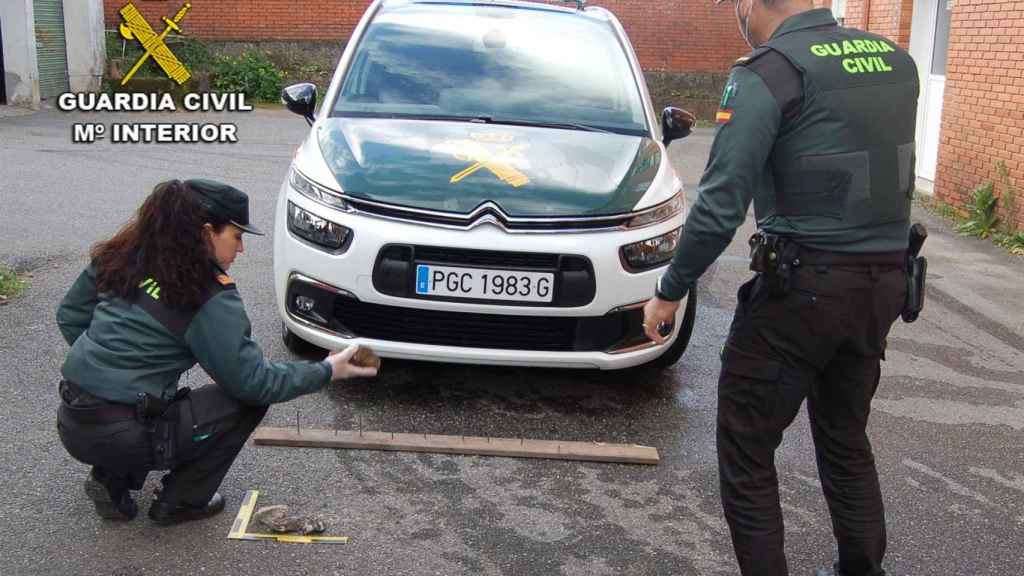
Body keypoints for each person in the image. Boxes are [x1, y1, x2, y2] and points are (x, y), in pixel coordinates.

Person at [643, 1, 920, 575]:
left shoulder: (768, 72)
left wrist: (670, 289)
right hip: (882, 286)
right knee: (845, 440)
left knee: (746, 447)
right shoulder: (897, 61)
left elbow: (720, 207)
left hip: (801, 288)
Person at [56, 179, 378, 525]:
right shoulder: (206, 293)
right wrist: (329, 369)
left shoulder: (121, 256)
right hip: (126, 433)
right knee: (244, 402)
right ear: (207, 232)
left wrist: (108, 367)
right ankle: (181, 501)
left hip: (72, 420)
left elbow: (70, 316)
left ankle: (111, 476)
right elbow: (254, 382)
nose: (241, 250)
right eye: (236, 236)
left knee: (133, 406)